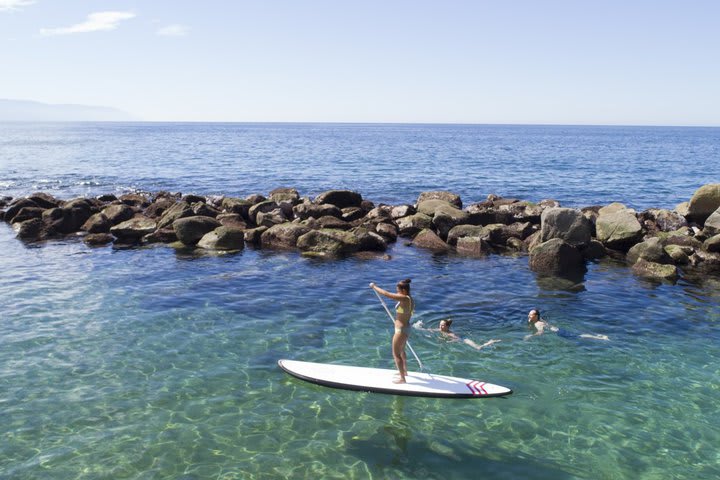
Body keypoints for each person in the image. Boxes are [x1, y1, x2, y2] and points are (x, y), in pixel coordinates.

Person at [369, 279, 414, 384]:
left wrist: (374, 286)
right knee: (402, 351)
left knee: (396, 354)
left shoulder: (403, 298)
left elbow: (386, 294)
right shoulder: (410, 298)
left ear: (403, 290)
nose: (397, 292)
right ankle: (405, 372)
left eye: (398, 290)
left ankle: (402, 379)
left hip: (401, 330)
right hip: (406, 328)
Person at [525, 309, 609, 341]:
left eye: (531, 314)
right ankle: (598, 335)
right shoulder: (540, 319)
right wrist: (530, 320)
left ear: (536, 316)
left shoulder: (538, 323)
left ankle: (601, 338)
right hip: (559, 330)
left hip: (559, 333)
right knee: (578, 335)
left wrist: (531, 336)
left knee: (579, 336)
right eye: (529, 314)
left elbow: (541, 332)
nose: (529, 315)